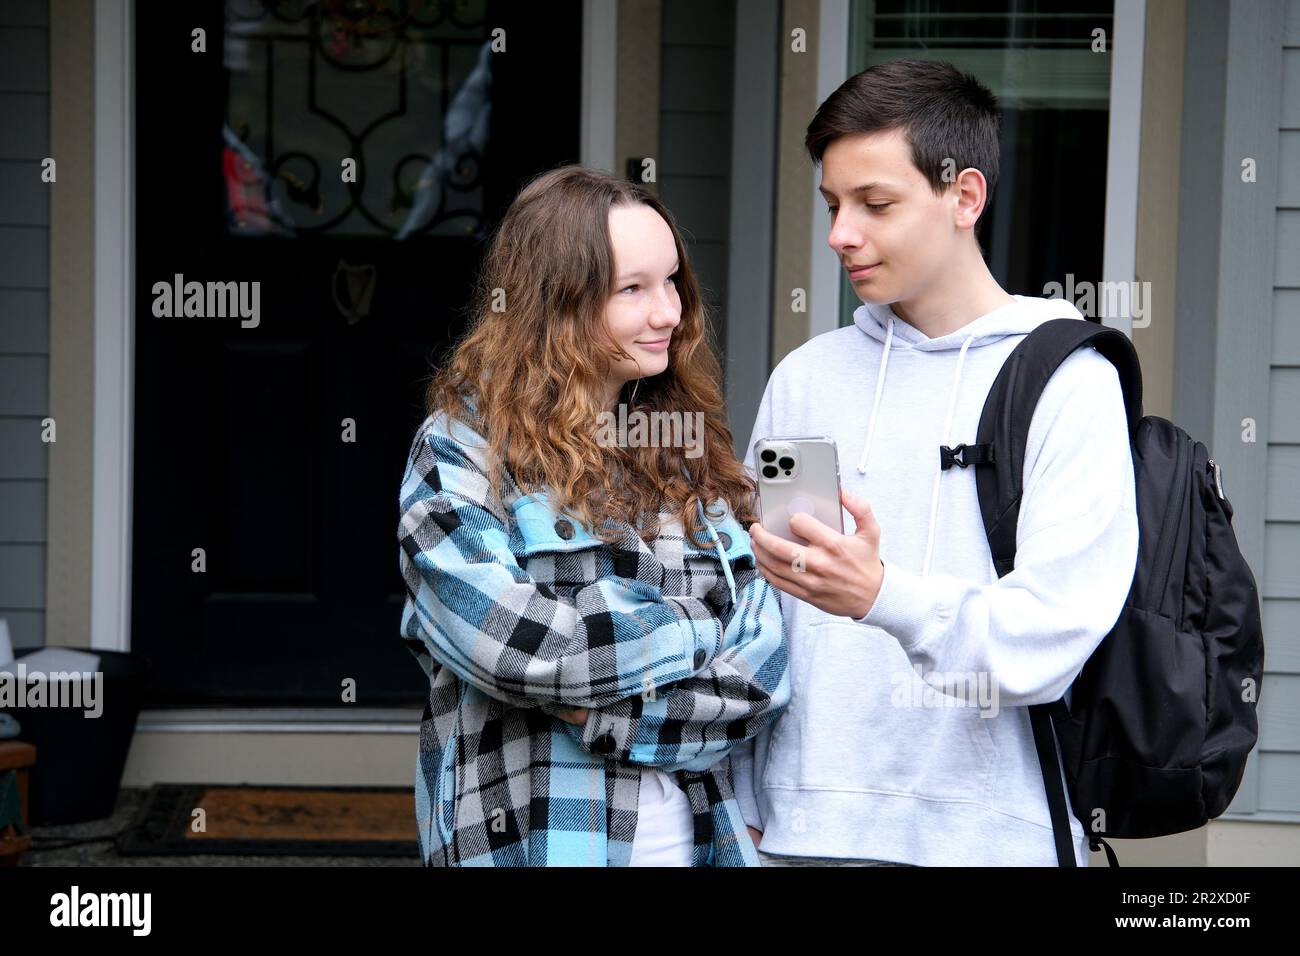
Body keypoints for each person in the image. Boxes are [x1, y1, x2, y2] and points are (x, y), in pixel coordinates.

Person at [730, 59, 1139, 867]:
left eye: (875, 204)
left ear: (965, 197)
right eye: (833, 205)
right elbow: (757, 609)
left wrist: (883, 595)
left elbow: (1050, 636)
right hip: (798, 838)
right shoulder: (805, 379)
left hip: (989, 839)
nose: (841, 233)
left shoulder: (1066, 380)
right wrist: (745, 804)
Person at [397, 165, 790, 867]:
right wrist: (696, 628)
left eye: (672, 281)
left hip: (701, 845)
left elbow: (761, 674)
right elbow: (521, 650)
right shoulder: (463, 451)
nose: (668, 312)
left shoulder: (685, 449)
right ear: (555, 304)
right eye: (632, 289)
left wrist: (607, 711)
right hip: (534, 843)